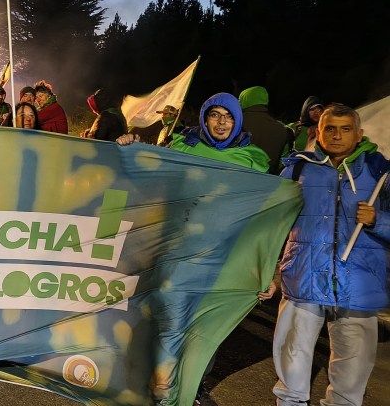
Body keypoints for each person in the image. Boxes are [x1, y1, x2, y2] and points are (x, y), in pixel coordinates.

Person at [117, 92, 269, 405]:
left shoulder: (254, 159)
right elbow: (149, 179)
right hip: (180, 255)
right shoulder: (183, 148)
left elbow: (266, 217)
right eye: (215, 115)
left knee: (206, 328)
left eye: (229, 116)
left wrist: (266, 267)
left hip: (226, 258)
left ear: (238, 120)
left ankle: (194, 386)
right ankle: (163, 392)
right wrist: (132, 149)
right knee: (173, 325)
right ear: (204, 118)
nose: (222, 122)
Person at [269, 103, 389, 406]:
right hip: (303, 278)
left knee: (351, 375)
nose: (337, 135)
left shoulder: (381, 173)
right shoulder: (296, 169)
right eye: (330, 129)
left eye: (345, 129)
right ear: (318, 132)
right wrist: (269, 270)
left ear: (359, 133)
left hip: (360, 285)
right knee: (292, 363)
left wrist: (378, 220)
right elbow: (272, 225)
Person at [238, 86, 293, 174]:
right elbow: (283, 163)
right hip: (268, 178)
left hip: (237, 175)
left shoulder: (235, 123)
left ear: (243, 100)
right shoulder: (282, 129)